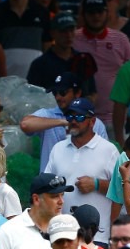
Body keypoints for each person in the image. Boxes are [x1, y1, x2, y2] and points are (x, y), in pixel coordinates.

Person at [46, 98, 116, 239]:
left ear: (92, 121)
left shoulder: (109, 150)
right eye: (70, 116)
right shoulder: (58, 148)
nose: (73, 121)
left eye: (79, 117)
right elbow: (45, 188)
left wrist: (97, 184)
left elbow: (122, 190)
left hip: (97, 236)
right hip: (63, 234)